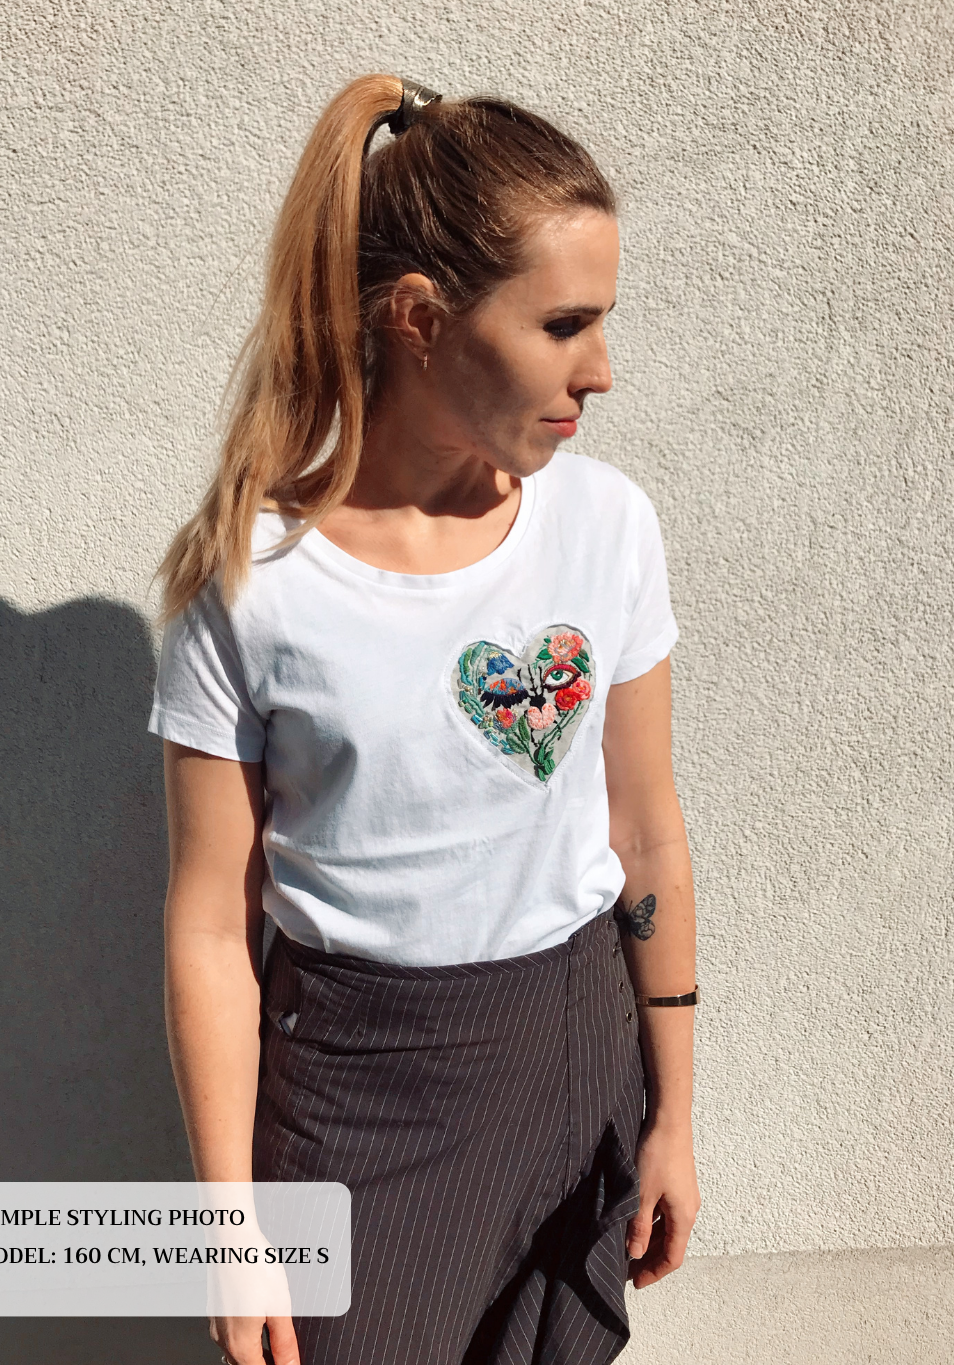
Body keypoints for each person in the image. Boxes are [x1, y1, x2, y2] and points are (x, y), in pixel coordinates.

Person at [149, 72, 700, 1365]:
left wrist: (674, 1110)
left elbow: (645, 831)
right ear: (419, 319)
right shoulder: (254, 588)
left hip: (577, 1062)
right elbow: (206, 932)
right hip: (360, 1099)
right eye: (565, 324)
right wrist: (230, 1237)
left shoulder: (605, 527)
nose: (602, 371)